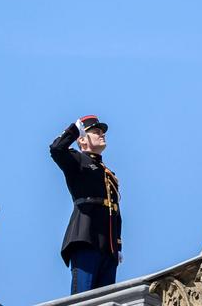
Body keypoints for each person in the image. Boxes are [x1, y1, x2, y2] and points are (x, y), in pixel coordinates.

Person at [49, 115, 122, 294]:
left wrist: (117, 246)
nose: (102, 134)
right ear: (82, 139)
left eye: (102, 132)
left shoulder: (107, 173)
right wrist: (75, 129)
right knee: (83, 297)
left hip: (108, 245)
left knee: (105, 300)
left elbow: (114, 210)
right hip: (86, 237)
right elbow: (56, 149)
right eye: (96, 132)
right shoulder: (77, 160)